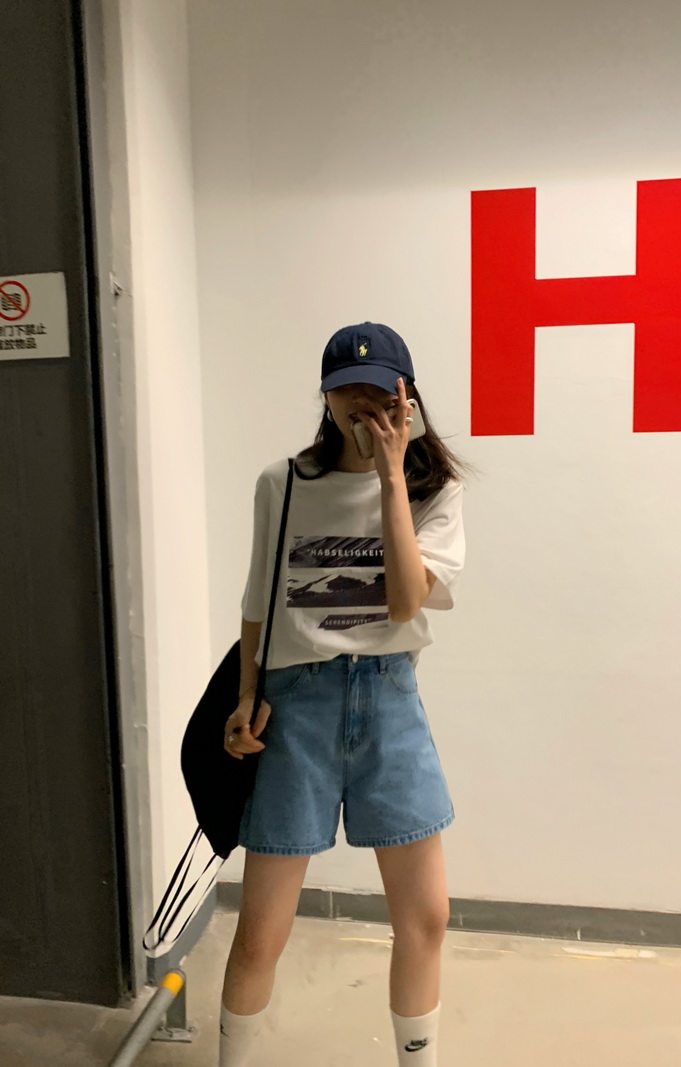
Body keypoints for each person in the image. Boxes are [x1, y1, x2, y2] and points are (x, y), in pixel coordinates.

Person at [218, 322, 469, 1066]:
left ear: (406, 396)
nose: (363, 405)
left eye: (379, 391)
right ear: (325, 398)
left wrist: (390, 480)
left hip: (390, 704)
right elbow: (258, 603)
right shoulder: (284, 482)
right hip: (297, 707)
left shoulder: (434, 489)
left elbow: (404, 602)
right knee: (261, 930)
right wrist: (244, 698)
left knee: (426, 917)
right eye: (346, 390)